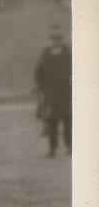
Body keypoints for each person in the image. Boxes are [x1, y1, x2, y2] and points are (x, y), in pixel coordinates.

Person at [34, 24, 72, 157]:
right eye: (53, 39)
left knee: (68, 121)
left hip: (67, 93)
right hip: (51, 95)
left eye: (58, 38)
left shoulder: (69, 53)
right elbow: (38, 73)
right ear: (50, 40)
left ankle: (70, 147)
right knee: (51, 123)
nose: (56, 41)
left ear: (62, 39)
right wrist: (42, 88)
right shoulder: (45, 54)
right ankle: (52, 149)